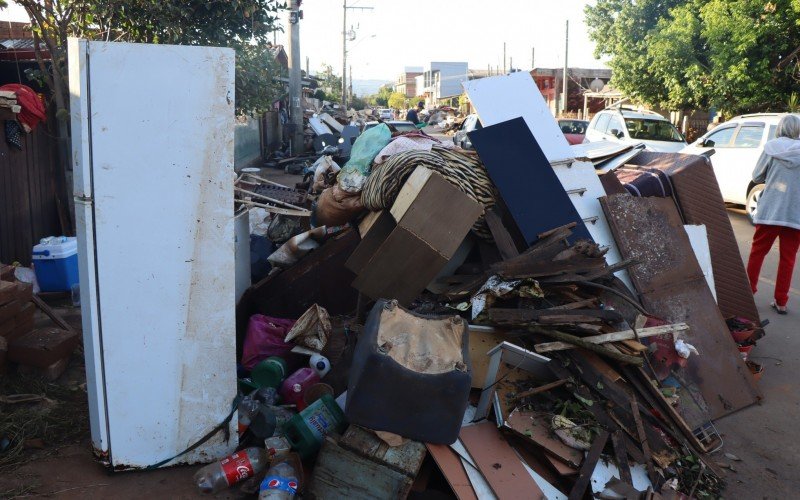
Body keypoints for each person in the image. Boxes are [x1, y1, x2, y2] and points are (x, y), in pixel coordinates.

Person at [746, 114, 800, 314]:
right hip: (795, 214)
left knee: (758, 252)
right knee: (788, 258)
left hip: (771, 210)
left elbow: (757, 176)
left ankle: (748, 292)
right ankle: (781, 301)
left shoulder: (771, 148)